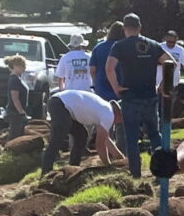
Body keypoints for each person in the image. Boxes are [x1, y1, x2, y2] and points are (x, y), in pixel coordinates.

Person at [105, 13, 172, 178]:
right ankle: (161, 171)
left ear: (124, 29)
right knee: (154, 134)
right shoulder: (152, 44)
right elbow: (171, 63)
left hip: (130, 97)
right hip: (150, 96)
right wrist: (162, 85)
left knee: (131, 138)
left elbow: (109, 68)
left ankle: (135, 174)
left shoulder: (119, 46)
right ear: (140, 27)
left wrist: (116, 87)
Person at [41, 90, 125, 173]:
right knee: (58, 137)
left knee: (81, 135)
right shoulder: (109, 114)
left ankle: (73, 167)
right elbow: (100, 144)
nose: (119, 123)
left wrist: (120, 157)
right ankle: (46, 171)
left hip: (62, 103)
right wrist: (108, 165)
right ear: (119, 114)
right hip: (60, 103)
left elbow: (105, 139)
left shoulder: (105, 109)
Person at [90, 23, 125, 101]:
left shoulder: (98, 47)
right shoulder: (124, 47)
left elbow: (92, 70)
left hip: (102, 88)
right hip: (121, 86)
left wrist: (95, 84)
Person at [4, 54, 30, 139]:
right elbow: (15, 98)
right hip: (15, 113)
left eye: (24, 66)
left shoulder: (18, 79)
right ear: (15, 66)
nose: (24, 68)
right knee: (14, 136)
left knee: (19, 135)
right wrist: (21, 113)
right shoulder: (14, 80)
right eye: (22, 66)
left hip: (18, 113)